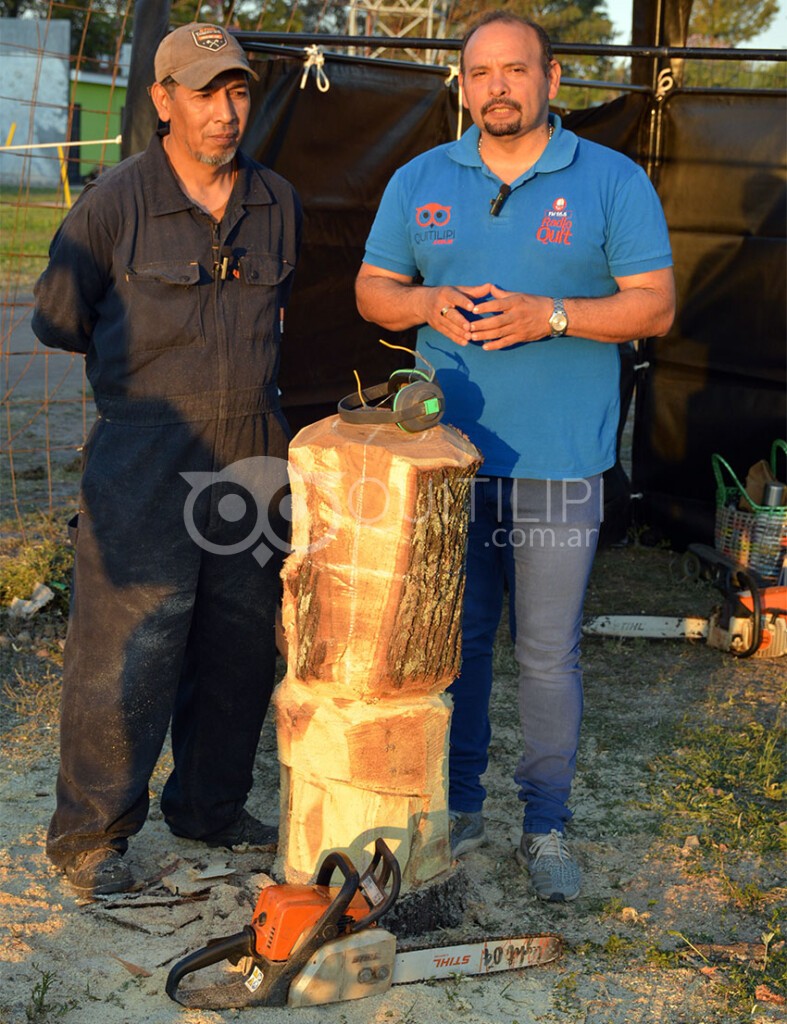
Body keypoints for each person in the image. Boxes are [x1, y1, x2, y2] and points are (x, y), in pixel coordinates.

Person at [355, 12, 675, 902]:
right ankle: (450, 815)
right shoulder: (421, 178)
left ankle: (545, 826)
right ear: (462, 85)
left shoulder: (610, 180)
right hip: (444, 465)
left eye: (514, 70)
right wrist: (425, 298)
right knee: (451, 648)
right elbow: (370, 291)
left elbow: (652, 306)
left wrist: (553, 315)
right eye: (479, 72)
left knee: (545, 652)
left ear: (551, 80)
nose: (496, 86)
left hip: (558, 466)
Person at [33, 23, 302, 897]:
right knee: (127, 643)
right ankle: (91, 838)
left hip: (252, 451)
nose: (224, 113)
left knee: (239, 641)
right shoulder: (114, 202)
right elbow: (59, 317)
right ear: (162, 101)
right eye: (202, 92)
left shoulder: (277, 201)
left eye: (236, 93)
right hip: (145, 448)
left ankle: (211, 807)